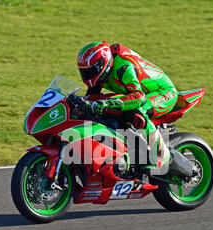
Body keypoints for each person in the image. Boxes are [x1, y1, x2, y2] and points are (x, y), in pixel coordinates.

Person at [76, 41, 179, 170]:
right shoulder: (101, 74)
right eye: (84, 72)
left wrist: (108, 103)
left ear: (102, 64)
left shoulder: (123, 68)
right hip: (139, 94)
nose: (87, 75)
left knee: (137, 112)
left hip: (163, 92)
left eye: (90, 70)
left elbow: (138, 97)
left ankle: (160, 154)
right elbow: (91, 97)